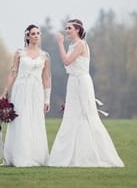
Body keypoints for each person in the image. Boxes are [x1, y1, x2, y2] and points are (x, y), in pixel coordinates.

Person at [48, 19, 124, 167]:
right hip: (73, 82)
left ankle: (91, 155)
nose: (66, 30)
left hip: (82, 82)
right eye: (66, 28)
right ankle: (70, 155)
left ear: (77, 30)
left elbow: (67, 61)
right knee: (72, 116)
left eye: (69, 28)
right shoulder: (72, 45)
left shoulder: (81, 44)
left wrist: (59, 43)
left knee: (86, 115)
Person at [0, 24, 51, 167]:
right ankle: (19, 156)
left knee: (35, 120)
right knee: (21, 120)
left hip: (36, 91)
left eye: (38, 33)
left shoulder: (45, 56)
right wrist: (4, 93)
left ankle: (35, 156)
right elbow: (13, 73)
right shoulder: (19, 53)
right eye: (33, 33)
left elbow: (46, 78)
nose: (36, 36)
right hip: (21, 89)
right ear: (27, 36)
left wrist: (47, 99)